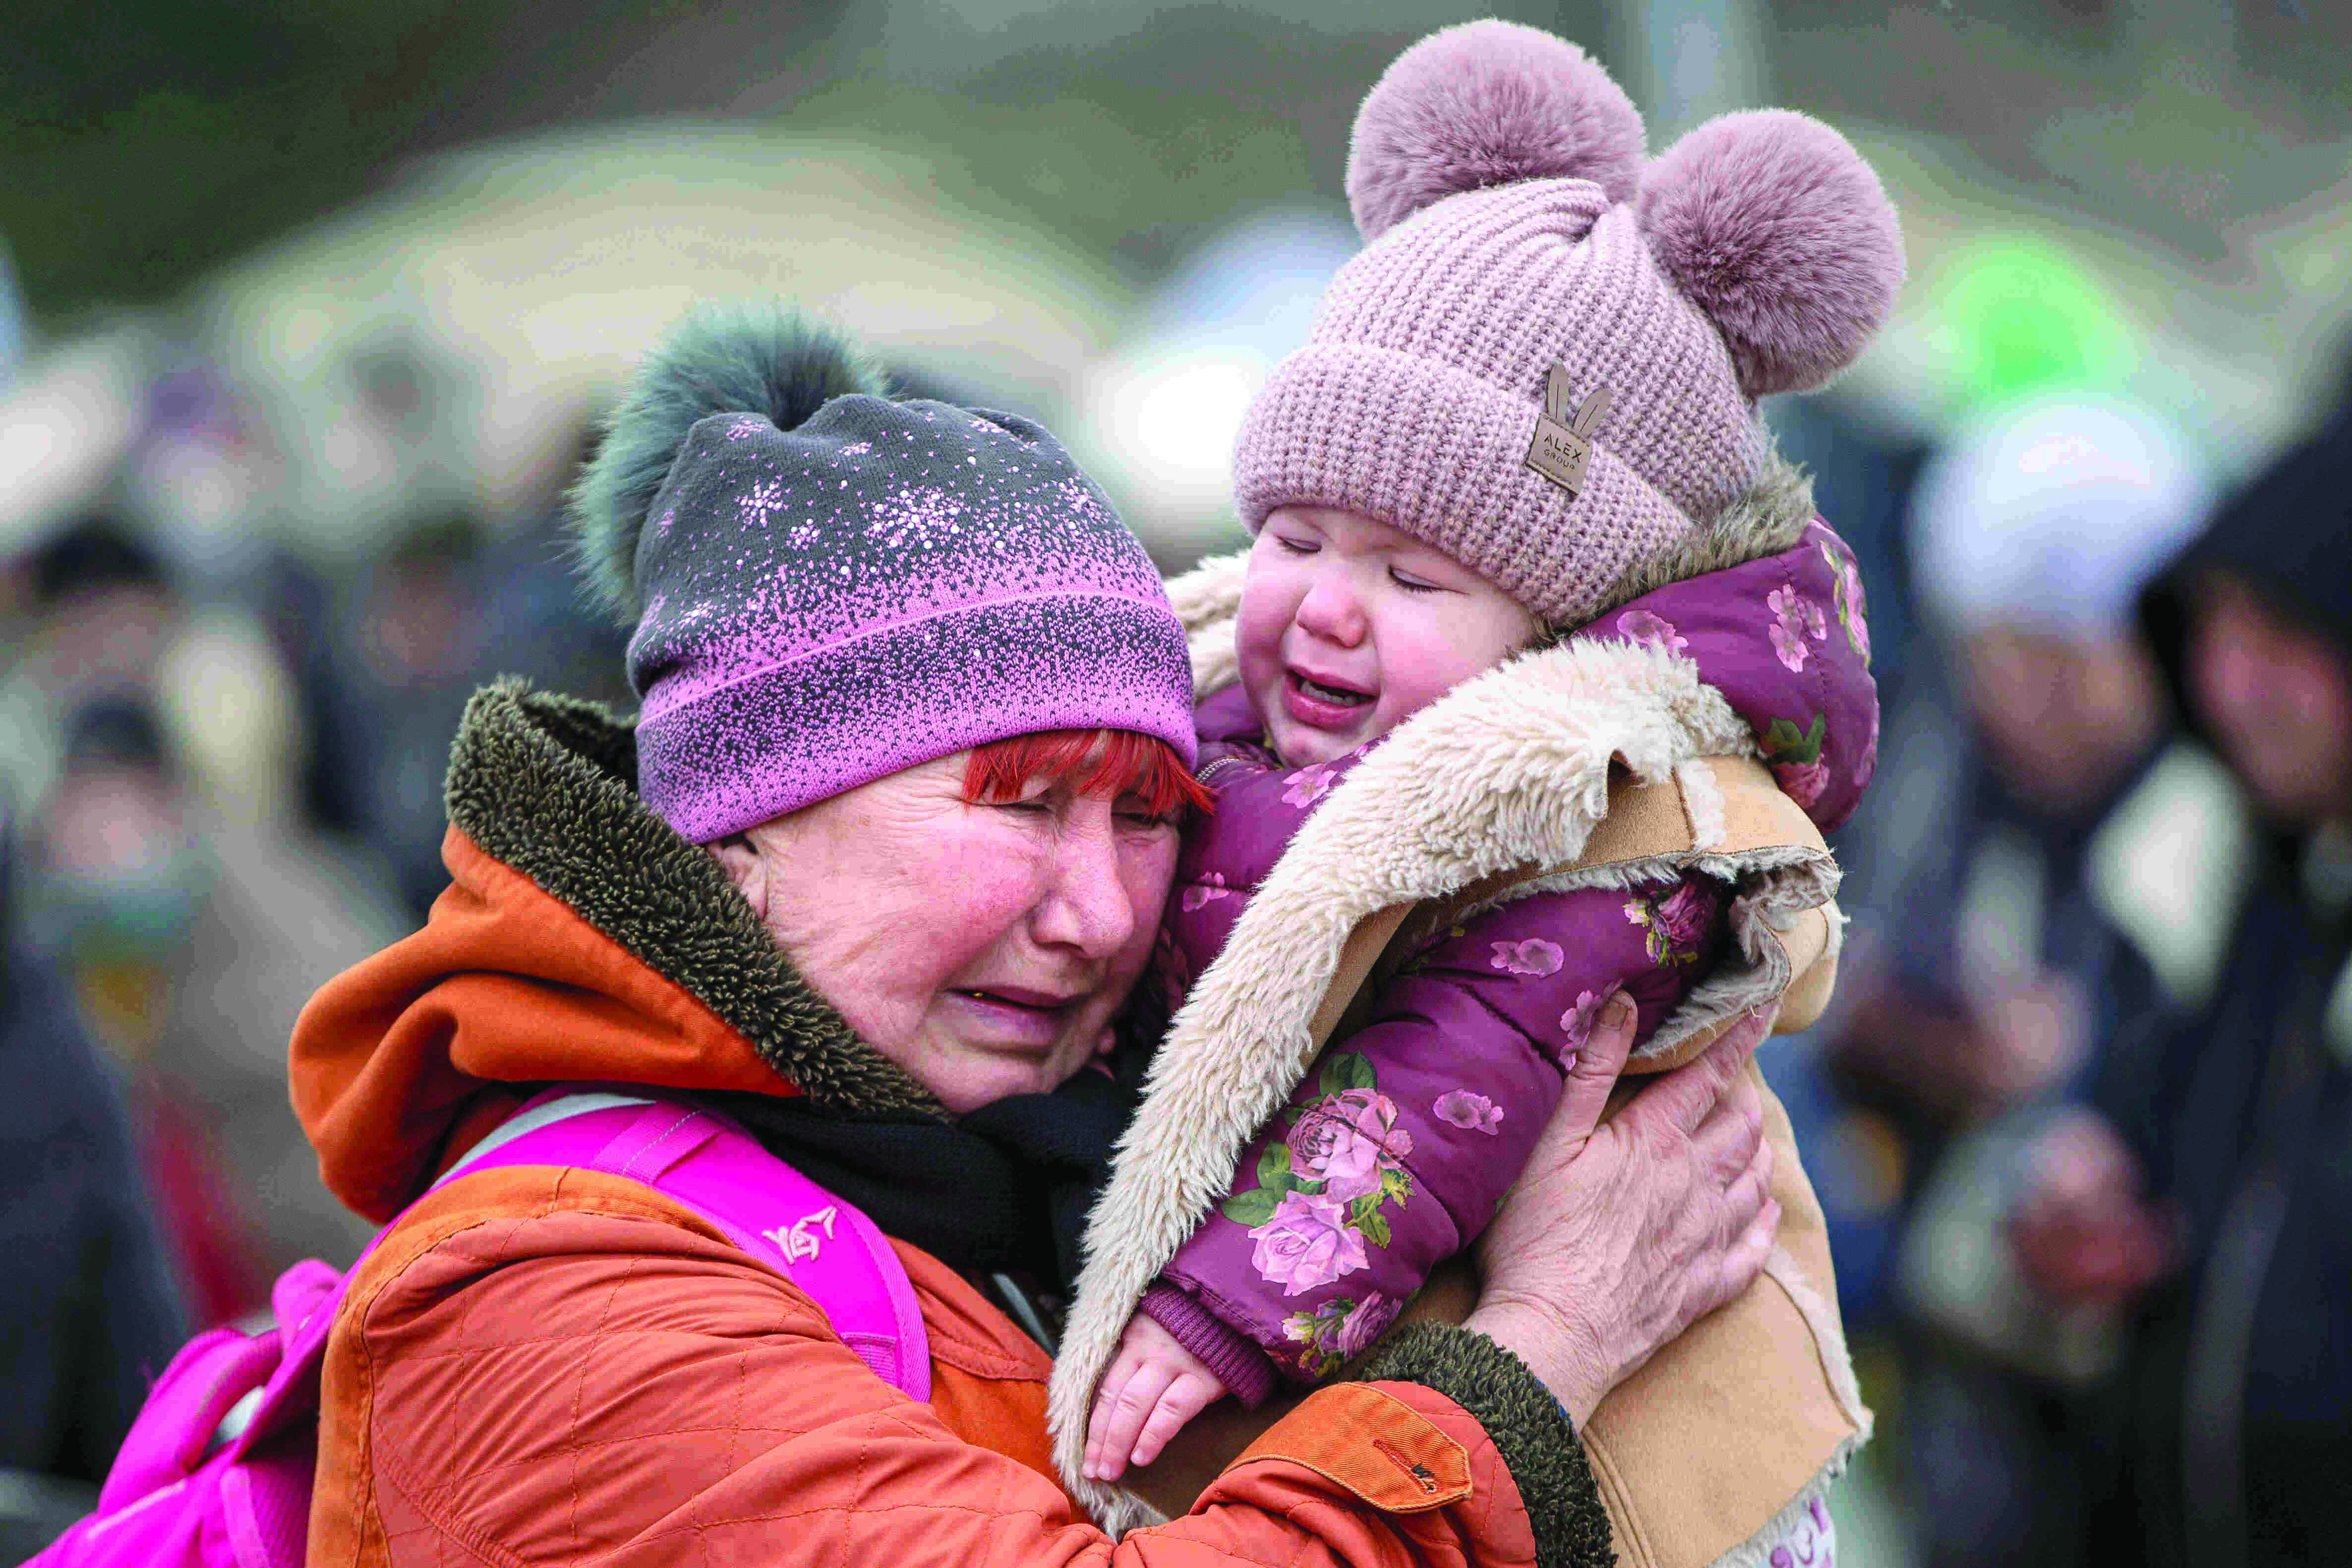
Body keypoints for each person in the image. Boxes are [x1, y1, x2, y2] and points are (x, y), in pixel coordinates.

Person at [291, 302, 1784, 1568]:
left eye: (1145, 815)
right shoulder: (544, 1300)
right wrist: (1543, 1347)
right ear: (741, 830)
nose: (1100, 913)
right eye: (1020, 805)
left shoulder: (1033, 1171)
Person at [1074, 20, 1900, 1524]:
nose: (1327, 603)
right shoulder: (1239, 720)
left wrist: (1234, 1305)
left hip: (1627, 1469)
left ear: (1564, 628)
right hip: (1399, 1425)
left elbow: (1458, 1064)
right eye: (1297, 539)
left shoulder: (1614, 820)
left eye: (1412, 573)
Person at [2010, 394, 2352, 1568]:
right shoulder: (2223, 877)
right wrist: (2084, 1186)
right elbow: (2138, 1125)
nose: (2237, 684)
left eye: (2285, 641)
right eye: (2217, 633)